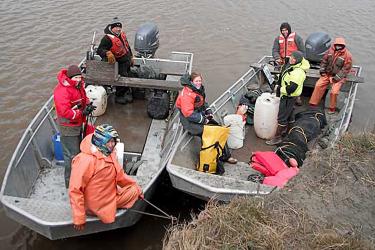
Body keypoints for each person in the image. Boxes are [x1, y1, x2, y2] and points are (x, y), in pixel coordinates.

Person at [69, 124, 143, 231]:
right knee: (134, 191)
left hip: (107, 194)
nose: (113, 144)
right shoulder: (85, 160)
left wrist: (134, 186)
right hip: (97, 204)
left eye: (113, 141)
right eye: (109, 141)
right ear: (100, 141)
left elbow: (120, 175)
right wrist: (79, 218)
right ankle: (101, 210)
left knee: (135, 189)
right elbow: (75, 189)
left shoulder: (109, 152)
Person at [175, 72, 237, 164]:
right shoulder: (187, 95)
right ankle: (208, 158)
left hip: (198, 115)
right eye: (196, 81)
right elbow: (188, 114)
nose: (198, 83)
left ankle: (226, 156)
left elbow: (203, 102)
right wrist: (204, 120)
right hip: (189, 122)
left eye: (200, 80)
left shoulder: (197, 90)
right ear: (191, 82)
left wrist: (208, 111)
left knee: (219, 128)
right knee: (210, 132)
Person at [54, 65, 92, 188]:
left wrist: (89, 105)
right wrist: (81, 113)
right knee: (72, 155)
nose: (78, 79)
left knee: (78, 151)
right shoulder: (62, 91)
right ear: (70, 78)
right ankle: (70, 183)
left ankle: (78, 178)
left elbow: (83, 98)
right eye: (75, 77)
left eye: (79, 77)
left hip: (77, 124)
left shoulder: (78, 86)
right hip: (68, 127)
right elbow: (64, 111)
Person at [266, 51, 310, 145]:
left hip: (288, 96)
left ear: (297, 60)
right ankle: (290, 131)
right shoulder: (294, 66)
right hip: (289, 97)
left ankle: (277, 138)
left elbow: (291, 88)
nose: (291, 59)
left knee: (282, 117)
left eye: (293, 58)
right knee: (290, 114)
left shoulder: (298, 72)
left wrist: (279, 89)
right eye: (291, 57)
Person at [309, 37, 353, 114]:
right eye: (337, 45)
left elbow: (346, 69)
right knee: (318, 85)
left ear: (343, 46)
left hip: (338, 77)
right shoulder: (329, 51)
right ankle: (313, 103)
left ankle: (332, 108)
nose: (338, 47)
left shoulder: (348, 55)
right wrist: (322, 71)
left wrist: (336, 78)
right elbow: (324, 61)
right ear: (334, 45)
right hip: (327, 74)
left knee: (334, 92)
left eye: (340, 45)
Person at [97, 17, 134, 104]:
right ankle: (119, 96)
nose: (118, 29)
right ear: (112, 27)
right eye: (116, 27)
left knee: (128, 75)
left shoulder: (122, 35)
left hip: (126, 61)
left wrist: (131, 57)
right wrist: (107, 53)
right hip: (118, 63)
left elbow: (127, 46)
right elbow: (100, 50)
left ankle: (126, 92)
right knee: (121, 78)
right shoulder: (107, 39)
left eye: (120, 27)